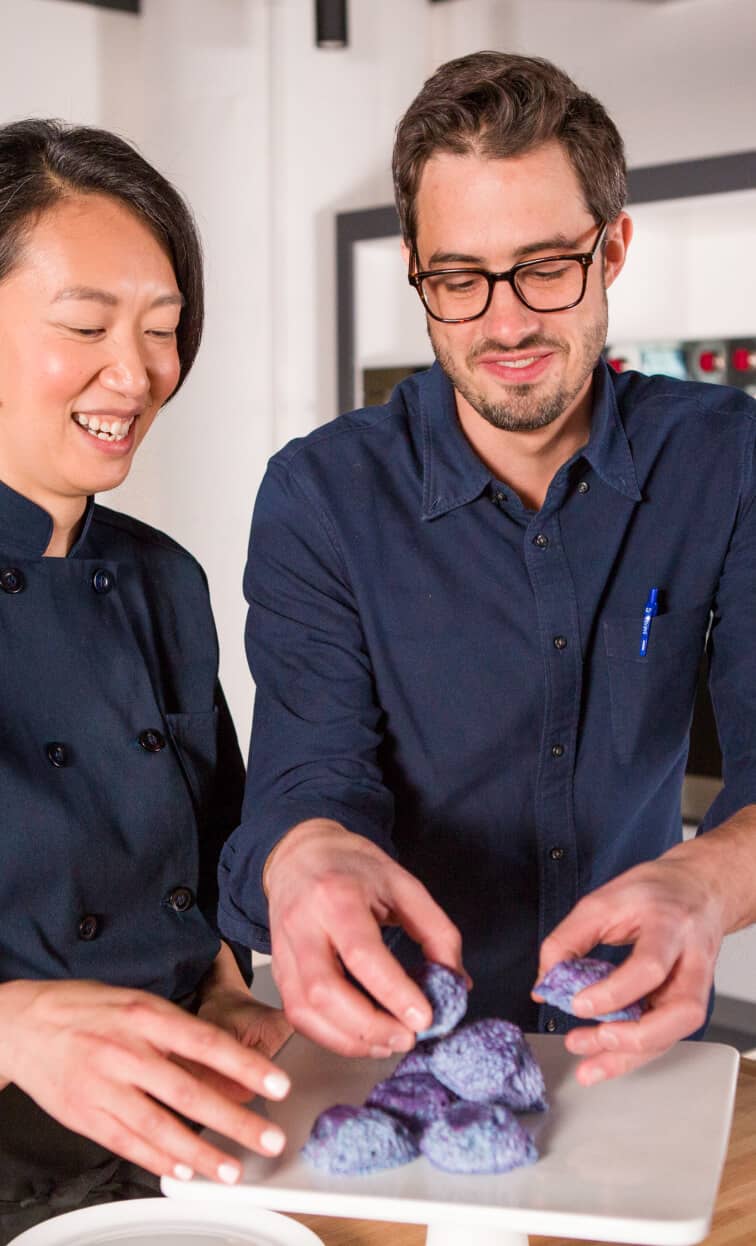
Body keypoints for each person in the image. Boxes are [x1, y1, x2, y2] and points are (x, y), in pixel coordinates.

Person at [218, 52, 756, 1087]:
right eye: (459, 279)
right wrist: (302, 858)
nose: (504, 323)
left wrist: (709, 878)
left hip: (634, 1058)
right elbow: (309, 770)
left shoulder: (725, 459)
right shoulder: (320, 496)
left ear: (614, 250)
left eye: (547, 265)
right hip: (390, 1062)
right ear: (417, 268)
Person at [0, 119, 292, 1243]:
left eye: (165, 331)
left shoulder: (166, 580)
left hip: (180, 1156)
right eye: (86, 326)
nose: (138, 373)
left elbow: (201, 863)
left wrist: (224, 995)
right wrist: (16, 1025)